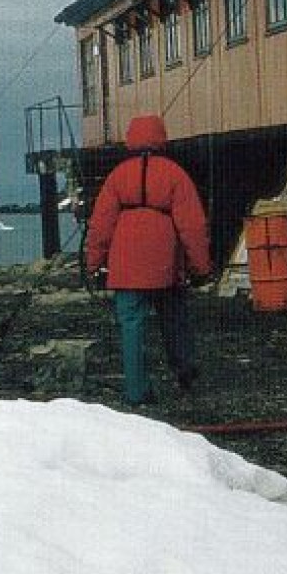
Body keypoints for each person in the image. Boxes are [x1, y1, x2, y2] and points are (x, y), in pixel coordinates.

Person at [86, 114, 212, 407]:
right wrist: (201, 266)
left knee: (131, 325)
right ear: (161, 138)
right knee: (174, 315)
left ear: (131, 138)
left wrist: (94, 262)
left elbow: (100, 225)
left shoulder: (118, 175)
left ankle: (136, 391)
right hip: (164, 259)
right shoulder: (174, 174)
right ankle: (184, 369)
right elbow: (192, 225)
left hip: (125, 262)